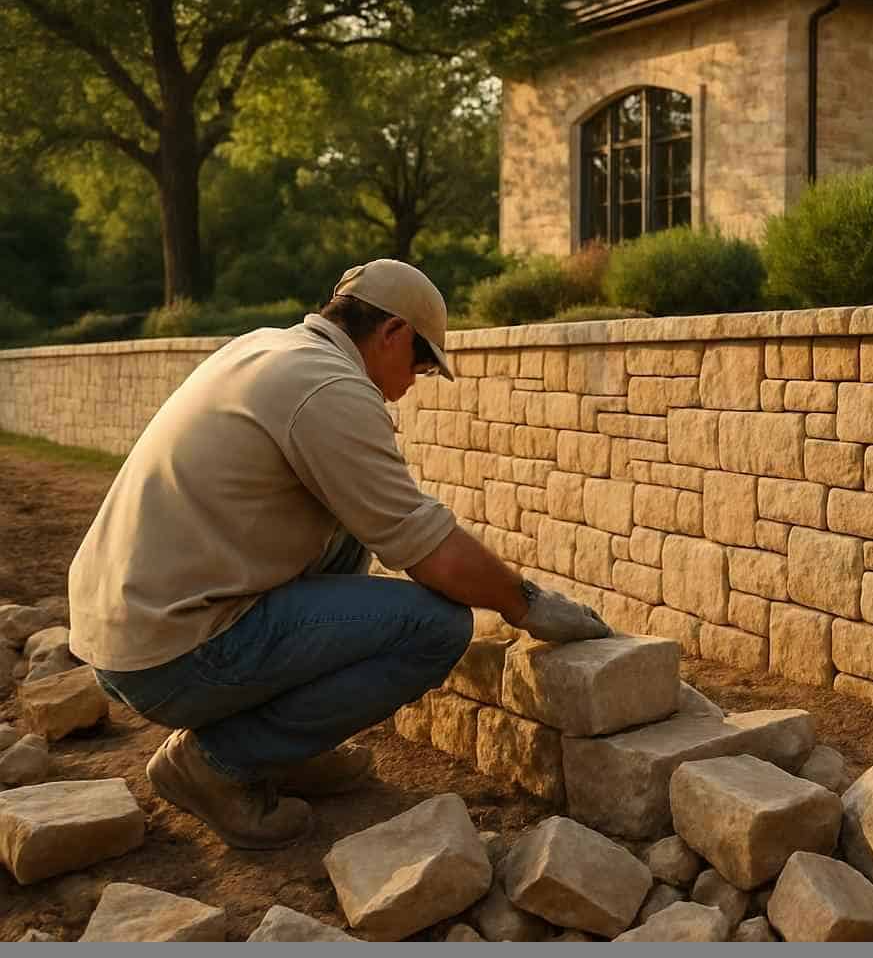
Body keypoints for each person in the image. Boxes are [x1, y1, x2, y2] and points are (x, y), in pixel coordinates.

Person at [67, 259, 610, 851]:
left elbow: (389, 521)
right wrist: (526, 603)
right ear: (393, 332)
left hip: (124, 629)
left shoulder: (265, 349)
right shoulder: (328, 388)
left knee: (352, 528)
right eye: (421, 365)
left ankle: (279, 751)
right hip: (172, 655)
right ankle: (216, 763)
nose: (408, 385)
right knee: (435, 627)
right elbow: (427, 549)